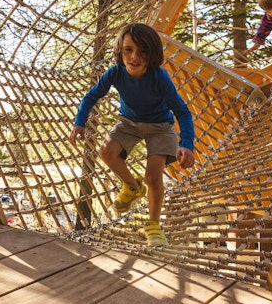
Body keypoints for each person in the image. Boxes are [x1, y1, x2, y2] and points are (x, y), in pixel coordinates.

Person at [69, 23, 195, 247]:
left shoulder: (159, 77)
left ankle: (154, 226)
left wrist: (186, 145)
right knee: (106, 151)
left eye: (142, 51)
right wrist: (80, 123)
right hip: (128, 122)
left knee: (153, 176)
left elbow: (182, 111)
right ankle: (132, 186)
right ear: (120, 51)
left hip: (159, 126)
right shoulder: (115, 72)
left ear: (152, 53)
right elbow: (91, 96)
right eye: (128, 50)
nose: (134, 57)